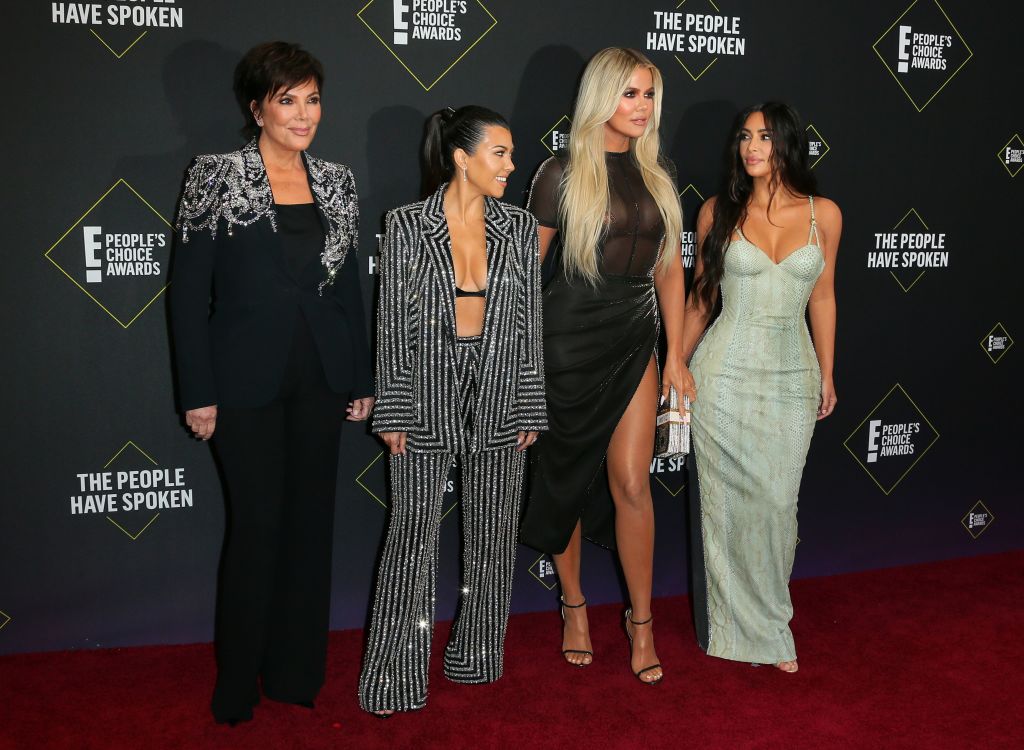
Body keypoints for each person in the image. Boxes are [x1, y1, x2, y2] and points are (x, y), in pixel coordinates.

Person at [170, 41, 373, 723]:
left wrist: (361, 375)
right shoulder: (215, 175)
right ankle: (237, 682)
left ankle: (294, 673)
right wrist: (197, 391)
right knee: (257, 527)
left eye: (312, 98)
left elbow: (349, 289)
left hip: (320, 377)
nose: (303, 113)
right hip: (243, 384)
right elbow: (187, 294)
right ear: (256, 106)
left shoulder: (338, 181)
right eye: (287, 99)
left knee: (311, 527)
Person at [358, 106, 546, 716]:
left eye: (512, 153)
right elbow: (390, 323)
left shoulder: (519, 227)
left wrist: (527, 402)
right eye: (500, 153)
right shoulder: (407, 225)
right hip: (426, 391)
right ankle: (393, 677)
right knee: (412, 535)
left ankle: (475, 657)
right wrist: (392, 407)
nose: (512, 165)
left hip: (498, 391)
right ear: (462, 158)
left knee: (494, 534)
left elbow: (528, 323)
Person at [519, 47, 695, 685]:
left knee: (632, 483)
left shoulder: (657, 179)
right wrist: (516, 362)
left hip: (632, 339)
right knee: (563, 478)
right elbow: (525, 276)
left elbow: (671, 270)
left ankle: (641, 622)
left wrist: (675, 355)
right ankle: (573, 606)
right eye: (629, 94)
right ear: (600, 97)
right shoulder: (559, 173)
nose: (642, 107)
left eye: (649, 95)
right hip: (563, 343)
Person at [682, 102, 841, 673]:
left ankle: (770, 623)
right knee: (725, 510)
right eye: (745, 137)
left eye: (765, 138)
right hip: (721, 376)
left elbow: (822, 297)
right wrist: (675, 365)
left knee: (777, 505)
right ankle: (733, 631)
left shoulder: (825, 215)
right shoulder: (716, 212)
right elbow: (700, 299)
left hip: (792, 374)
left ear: (788, 145)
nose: (752, 147)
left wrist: (827, 370)